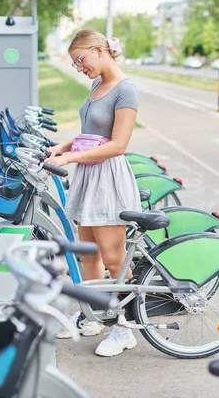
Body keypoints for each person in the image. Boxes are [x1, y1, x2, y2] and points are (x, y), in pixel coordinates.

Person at [44, 30, 141, 357]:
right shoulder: (96, 86)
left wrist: (69, 158)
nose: (79, 68)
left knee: (115, 258)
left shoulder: (125, 91)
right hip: (89, 175)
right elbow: (91, 136)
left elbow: (117, 145)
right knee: (90, 254)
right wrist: (64, 146)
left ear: (100, 51)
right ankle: (94, 315)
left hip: (108, 179)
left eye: (81, 60)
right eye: (74, 63)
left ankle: (125, 329)